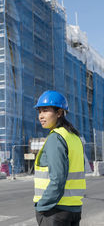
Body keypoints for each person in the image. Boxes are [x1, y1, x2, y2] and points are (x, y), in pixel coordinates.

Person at [33, 90, 86, 226]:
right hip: (74, 209)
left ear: (59, 113)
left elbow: (58, 180)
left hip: (55, 211)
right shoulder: (74, 137)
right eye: (39, 111)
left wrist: (41, 206)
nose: (41, 116)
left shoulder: (56, 138)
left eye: (45, 110)